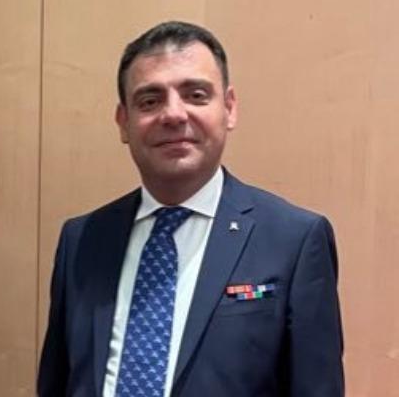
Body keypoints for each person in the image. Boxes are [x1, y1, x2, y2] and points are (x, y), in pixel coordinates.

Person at [37, 21, 344, 397]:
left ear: (229, 108)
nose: (173, 114)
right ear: (124, 122)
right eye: (149, 101)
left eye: (195, 95)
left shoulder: (293, 241)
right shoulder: (82, 239)